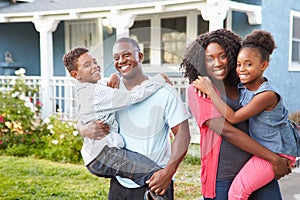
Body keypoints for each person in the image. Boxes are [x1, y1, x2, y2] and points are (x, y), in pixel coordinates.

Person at [179, 29, 291, 200]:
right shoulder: (198, 91)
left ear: (232, 55)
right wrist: (274, 159)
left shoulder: (244, 83)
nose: (217, 63)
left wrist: (277, 156)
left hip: (255, 169)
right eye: (210, 59)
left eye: (222, 56)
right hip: (223, 177)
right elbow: (227, 131)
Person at [78, 38, 191, 200]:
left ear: (140, 56)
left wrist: (168, 172)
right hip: (120, 182)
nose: (121, 61)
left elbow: (183, 134)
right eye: (116, 58)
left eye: (127, 55)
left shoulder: (164, 91)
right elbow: (84, 114)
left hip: (155, 182)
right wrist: (84, 129)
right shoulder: (110, 91)